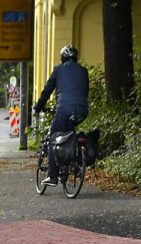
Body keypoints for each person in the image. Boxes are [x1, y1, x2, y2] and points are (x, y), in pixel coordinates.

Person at [33, 44, 89, 186]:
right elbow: (84, 91)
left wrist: (39, 107)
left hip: (64, 109)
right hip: (82, 110)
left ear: (62, 57)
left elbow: (47, 91)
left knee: (54, 137)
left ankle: (52, 176)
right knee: (70, 132)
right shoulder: (83, 71)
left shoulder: (58, 70)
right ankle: (72, 163)